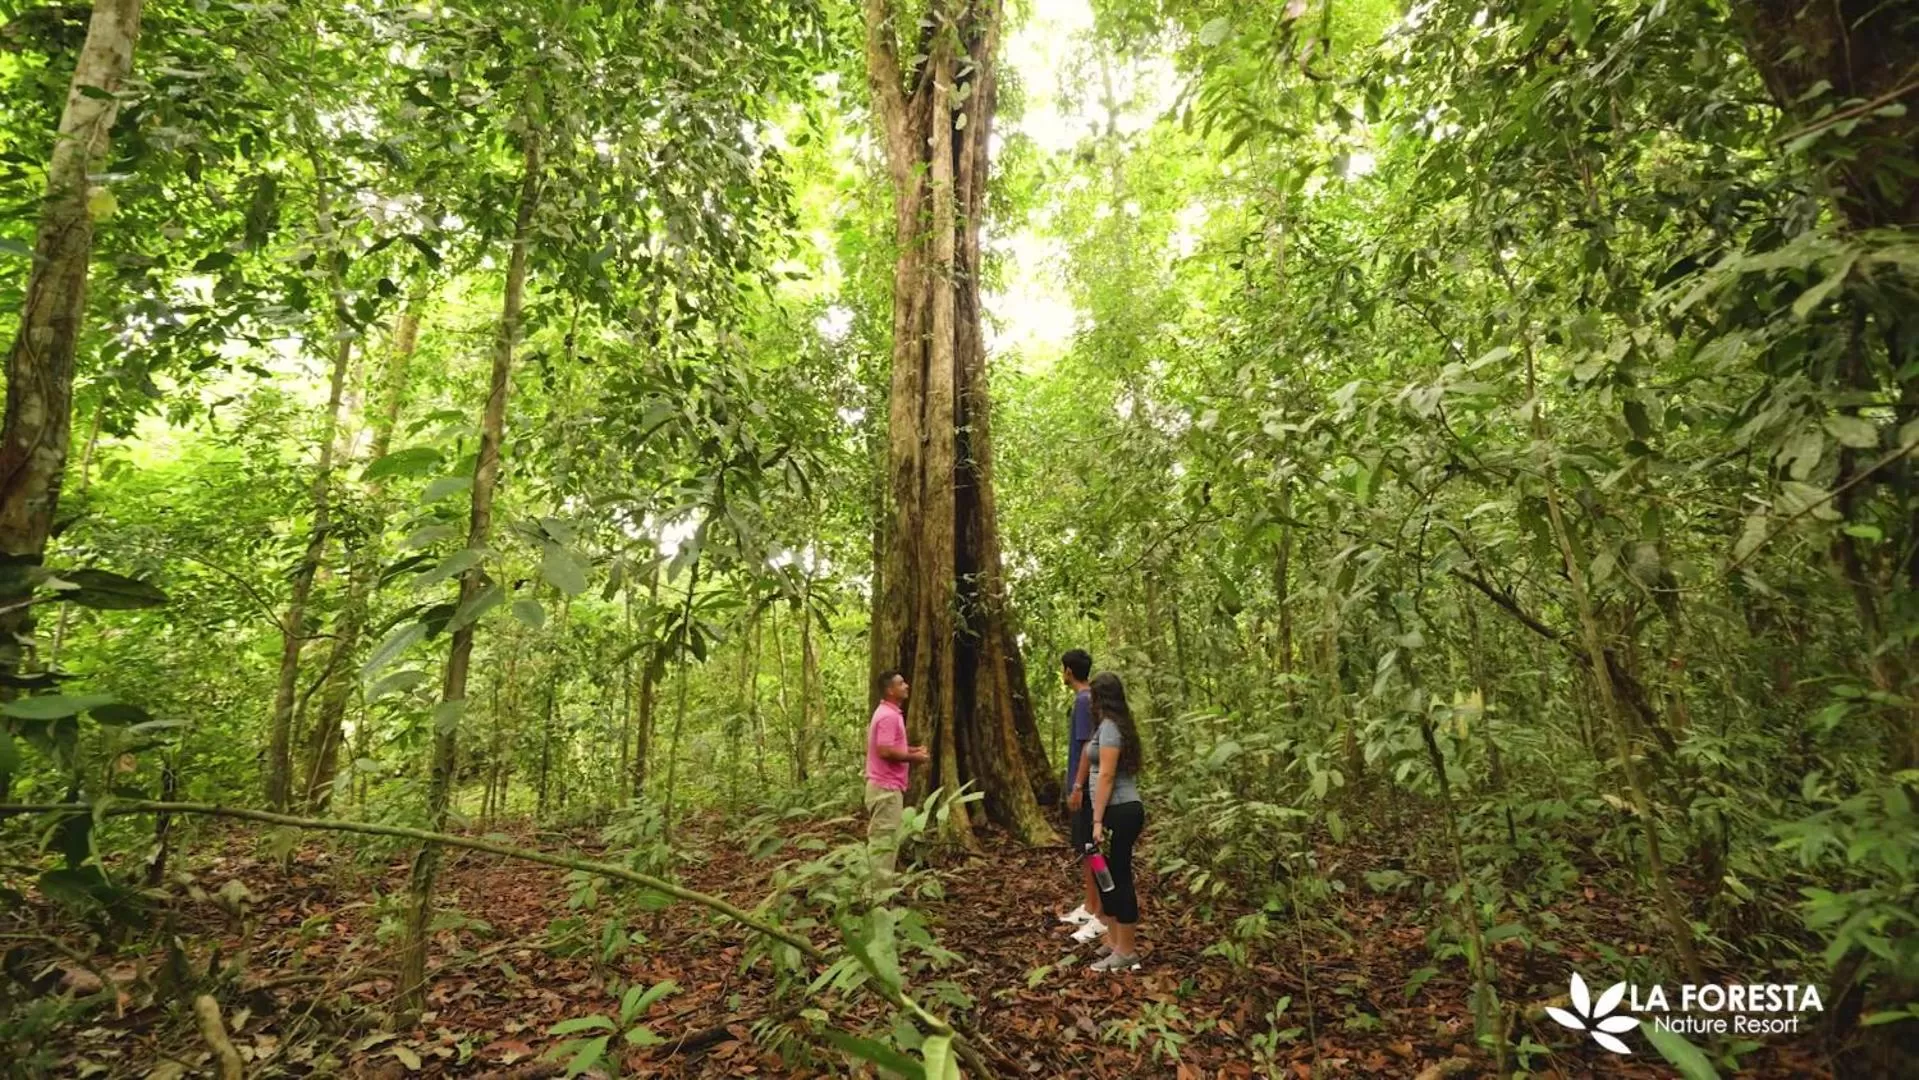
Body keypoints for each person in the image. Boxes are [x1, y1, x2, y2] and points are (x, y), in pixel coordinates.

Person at [1085, 671, 1146, 971]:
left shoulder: (1110, 729)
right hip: (1113, 811)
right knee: (1104, 875)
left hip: (1119, 811)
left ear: (1100, 698)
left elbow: (1107, 775)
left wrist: (1097, 821)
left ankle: (1127, 950)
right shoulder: (1109, 726)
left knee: (1119, 877)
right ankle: (1114, 940)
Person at [1055, 649, 1106, 944]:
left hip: (1086, 788)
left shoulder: (1085, 700)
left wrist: (1077, 786)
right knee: (1086, 849)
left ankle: (1101, 913)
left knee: (1093, 849)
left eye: (1063, 669)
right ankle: (1090, 906)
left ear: (1069, 671)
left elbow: (1088, 746)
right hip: (1083, 785)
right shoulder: (1085, 699)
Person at [865, 669, 927, 884]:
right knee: (883, 843)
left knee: (886, 842)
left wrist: (912, 750)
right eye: (901, 684)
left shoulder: (887, 712)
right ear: (890, 690)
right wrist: (914, 759)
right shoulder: (888, 716)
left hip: (886, 787)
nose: (906, 685)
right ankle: (878, 900)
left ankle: (879, 895)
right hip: (885, 789)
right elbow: (884, 751)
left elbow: (891, 746)